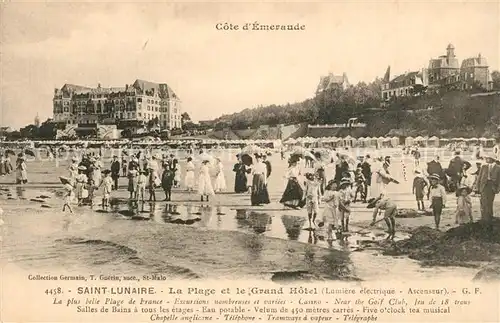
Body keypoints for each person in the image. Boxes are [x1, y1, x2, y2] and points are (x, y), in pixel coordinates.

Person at [476, 154, 500, 221]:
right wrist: (477, 187)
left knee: (490, 201)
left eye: (488, 158)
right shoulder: (484, 166)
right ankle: (483, 216)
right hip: (484, 186)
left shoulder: (498, 168)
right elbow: (479, 177)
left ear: (492, 159)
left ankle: (490, 216)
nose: (486, 159)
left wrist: (498, 188)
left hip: (492, 186)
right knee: (483, 201)